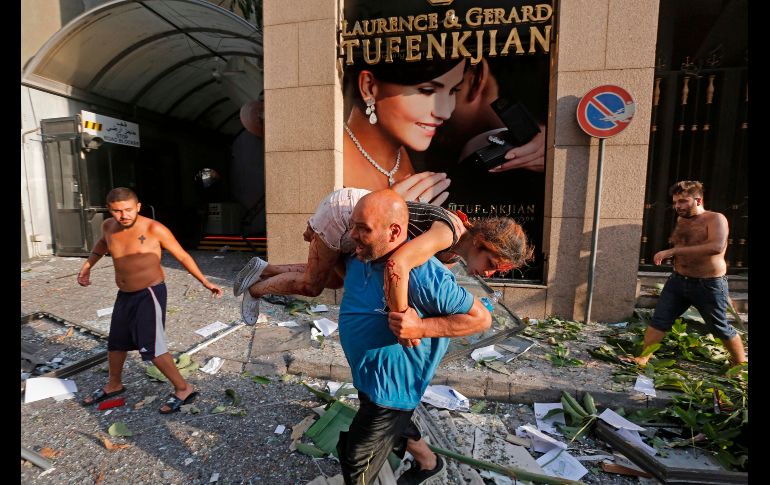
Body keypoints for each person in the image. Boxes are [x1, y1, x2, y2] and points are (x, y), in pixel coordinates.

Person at [335, 189, 492, 485]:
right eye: (352, 225)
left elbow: (481, 318)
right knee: (401, 428)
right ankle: (428, 463)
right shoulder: (364, 254)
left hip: (392, 392)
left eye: (362, 228)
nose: (352, 235)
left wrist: (421, 328)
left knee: (356, 457)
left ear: (394, 231)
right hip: (369, 378)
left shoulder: (423, 275)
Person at [232, 184, 533, 333]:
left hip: (360, 213)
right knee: (312, 286)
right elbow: (397, 264)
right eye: (493, 265)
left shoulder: (453, 253)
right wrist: (404, 322)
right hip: (350, 215)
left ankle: (264, 268)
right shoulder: (448, 233)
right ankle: (255, 289)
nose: (489, 275)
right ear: (481, 242)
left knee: (334, 278)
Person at [77, 187, 223, 413]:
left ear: (137, 207)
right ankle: (114, 384)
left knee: (153, 347)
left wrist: (205, 282)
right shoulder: (107, 226)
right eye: (117, 211)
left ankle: (184, 388)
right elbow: (101, 245)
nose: (123, 215)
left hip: (149, 293)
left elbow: (182, 255)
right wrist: (87, 267)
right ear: (109, 210)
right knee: (117, 342)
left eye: (128, 210)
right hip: (124, 294)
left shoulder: (154, 229)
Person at [629, 181, 746, 367]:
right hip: (678, 281)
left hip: (708, 284)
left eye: (683, 201)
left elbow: (716, 247)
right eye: (675, 202)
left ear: (697, 200)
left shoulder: (716, 219)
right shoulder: (681, 220)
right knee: (660, 320)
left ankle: (739, 364)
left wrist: (672, 252)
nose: (677, 206)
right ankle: (643, 358)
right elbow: (685, 246)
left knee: (719, 326)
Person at [342, 45, 466, 203]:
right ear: (369, 87)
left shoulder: (430, 156)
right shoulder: (327, 163)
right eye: (427, 90)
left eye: (453, 90)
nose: (445, 112)